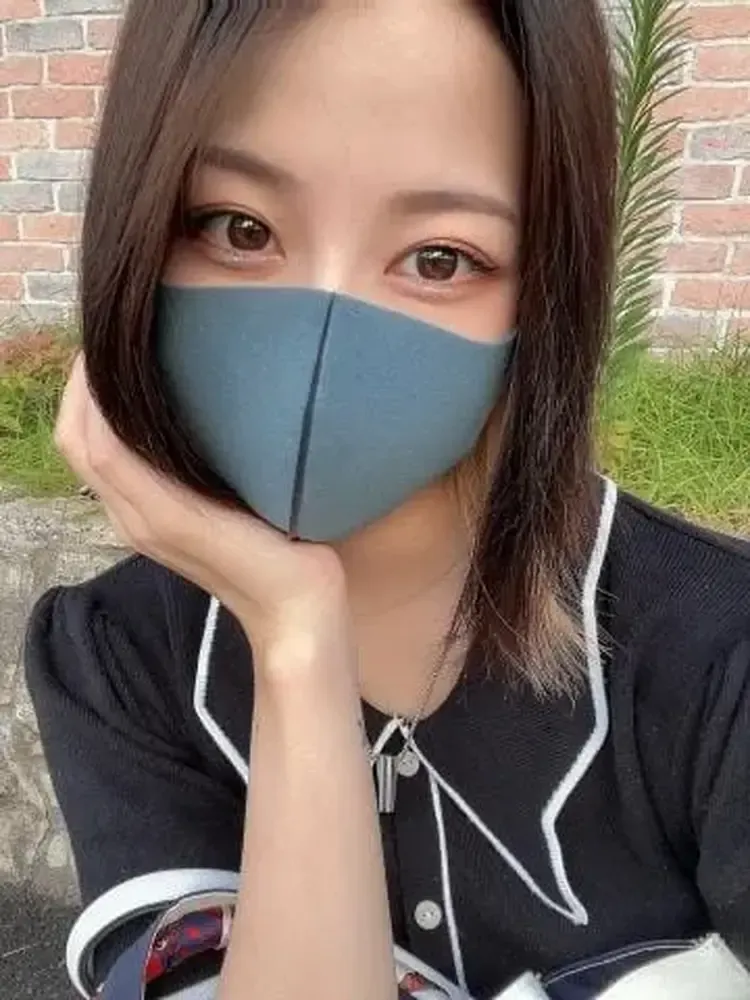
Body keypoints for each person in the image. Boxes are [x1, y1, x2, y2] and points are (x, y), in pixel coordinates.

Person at [23, 1, 750, 998]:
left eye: (440, 258)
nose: (324, 347)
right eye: (239, 228)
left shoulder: (722, 661)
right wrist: (297, 642)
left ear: (546, 290)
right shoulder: (117, 656)